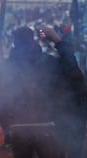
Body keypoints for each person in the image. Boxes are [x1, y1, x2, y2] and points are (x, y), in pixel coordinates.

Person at [1, 26, 67, 158]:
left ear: (15, 43)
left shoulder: (9, 66)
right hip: (45, 124)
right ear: (32, 42)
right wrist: (58, 42)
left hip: (19, 126)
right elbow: (70, 70)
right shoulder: (47, 62)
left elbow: (2, 96)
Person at [40, 26, 87, 158]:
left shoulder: (75, 69)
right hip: (65, 114)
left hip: (71, 115)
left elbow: (74, 71)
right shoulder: (62, 66)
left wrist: (58, 42)